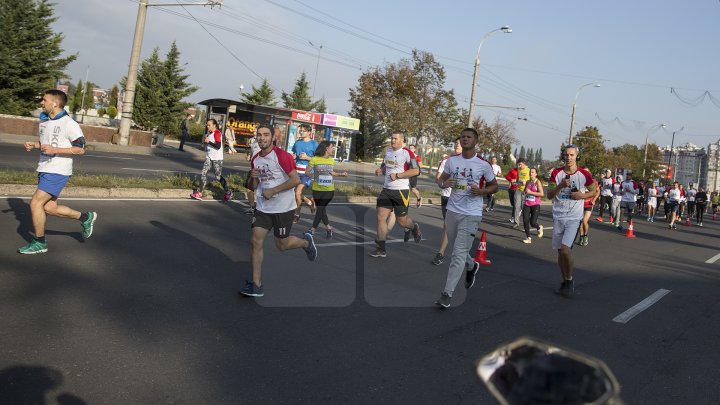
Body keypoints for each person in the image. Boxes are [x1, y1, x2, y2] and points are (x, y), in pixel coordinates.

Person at [239, 125, 318, 297]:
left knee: (281, 245)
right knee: (255, 241)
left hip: (283, 208)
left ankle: (306, 242)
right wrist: (253, 179)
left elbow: (295, 179)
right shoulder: (256, 159)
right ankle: (256, 285)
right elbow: (254, 186)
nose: (262, 138)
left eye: (266, 135)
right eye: (259, 135)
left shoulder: (282, 156)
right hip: (263, 207)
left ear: (272, 138)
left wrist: (274, 191)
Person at [18, 89, 97, 255]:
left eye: (44, 100)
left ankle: (40, 242)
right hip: (44, 167)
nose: (42, 102)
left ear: (54, 103)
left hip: (58, 169)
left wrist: (55, 149)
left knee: (35, 203)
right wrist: (35, 145)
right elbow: (46, 143)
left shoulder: (69, 124)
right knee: (49, 208)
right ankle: (85, 217)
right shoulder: (45, 121)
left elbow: (81, 149)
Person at [435, 128, 498, 308]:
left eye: (468, 137)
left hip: (471, 214)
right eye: (462, 137)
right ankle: (471, 265)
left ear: (475, 141)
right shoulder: (452, 161)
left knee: (457, 254)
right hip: (452, 211)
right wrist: (443, 183)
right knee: (458, 251)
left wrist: (483, 191)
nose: (464, 139)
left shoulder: (483, 164)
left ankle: (447, 294)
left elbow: (494, 186)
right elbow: (440, 180)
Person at [546, 145, 595, 298]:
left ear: (576, 156)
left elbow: (594, 191)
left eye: (572, 155)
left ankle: (570, 279)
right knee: (560, 252)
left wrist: (582, 196)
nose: (569, 158)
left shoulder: (584, 174)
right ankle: (566, 281)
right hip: (558, 216)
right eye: (566, 155)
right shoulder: (556, 173)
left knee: (566, 250)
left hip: (574, 217)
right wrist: (560, 185)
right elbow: (549, 195)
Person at [369, 131, 422, 258]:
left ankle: (414, 227)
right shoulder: (388, 152)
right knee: (381, 217)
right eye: (391, 138)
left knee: (402, 221)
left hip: (401, 191)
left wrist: (398, 175)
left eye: (395, 139)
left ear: (402, 140)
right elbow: (385, 167)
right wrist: (380, 170)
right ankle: (381, 249)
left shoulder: (407, 153)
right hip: (386, 190)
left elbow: (416, 170)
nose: (392, 141)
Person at [306, 141, 349, 238]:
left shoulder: (331, 160)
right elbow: (307, 172)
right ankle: (329, 228)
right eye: (331, 147)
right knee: (322, 210)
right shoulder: (314, 159)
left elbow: (331, 173)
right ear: (326, 148)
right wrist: (314, 176)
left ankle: (312, 230)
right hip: (317, 189)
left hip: (329, 190)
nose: (332, 149)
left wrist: (341, 174)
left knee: (320, 209)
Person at [431, 138, 462, 265]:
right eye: (456, 144)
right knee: (448, 225)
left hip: (460, 197)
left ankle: (441, 253)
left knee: (450, 225)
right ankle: (443, 252)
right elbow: (437, 179)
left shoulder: (471, 163)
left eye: (459, 144)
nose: (457, 145)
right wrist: (444, 183)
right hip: (446, 196)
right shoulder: (446, 161)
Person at [191, 119, 232, 202]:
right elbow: (207, 144)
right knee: (203, 173)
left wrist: (208, 142)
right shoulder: (209, 133)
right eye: (207, 125)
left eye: (209, 125)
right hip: (209, 157)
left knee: (217, 177)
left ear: (214, 125)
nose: (207, 126)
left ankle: (228, 192)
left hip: (217, 158)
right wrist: (205, 142)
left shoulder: (217, 133)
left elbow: (218, 146)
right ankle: (199, 193)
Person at [291, 124, 318, 223]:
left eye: (303, 131)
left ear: (309, 132)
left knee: (298, 192)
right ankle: (309, 202)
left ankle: (296, 215)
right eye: (300, 131)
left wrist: (307, 158)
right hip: (297, 171)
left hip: (307, 172)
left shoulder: (314, 144)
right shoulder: (297, 143)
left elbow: (319, 159)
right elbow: (294, 154)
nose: (301, 132)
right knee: (295, 193)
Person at [521, 167, 544, 244]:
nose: (531, 173)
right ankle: (528, 238)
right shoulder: (527, 182)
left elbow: (541, 194)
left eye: (533, 172)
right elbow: (525, 191)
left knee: (533, 223)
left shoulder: (537, 182)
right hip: (527, 204)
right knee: (525, 220)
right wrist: (524, 193)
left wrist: (531, 192)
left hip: (535, 205)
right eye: (530, 172)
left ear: (536, 174)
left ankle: (539, 227)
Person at [577, 170, 599, 246]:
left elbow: (598, 191)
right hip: (580, 204)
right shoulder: (579, 181)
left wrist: (594, 199)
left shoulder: (593, 181)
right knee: (579, 223)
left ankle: (585, 236)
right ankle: (581, 236)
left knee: (584, 221)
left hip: (589, 204)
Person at [506, 158, 529, 228]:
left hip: (526, 190)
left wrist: (526, 182)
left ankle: (527, 221)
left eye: (520, 164)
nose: (519, 166)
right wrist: (515, 181)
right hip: (518, 189)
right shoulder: (518, 170)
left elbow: (532, 180)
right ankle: (516, 222)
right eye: (518, 164)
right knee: (516, 205)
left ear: (524, 163)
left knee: (524, 207)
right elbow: (518, 178)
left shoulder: (529, 170)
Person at [244, 133, 263, 214]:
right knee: (249, 188)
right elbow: (252, 151)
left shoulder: (264, 141)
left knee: (262, 190)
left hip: (262, 169)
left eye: (257, 131)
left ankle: (262, 209)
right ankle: (252, 207)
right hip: (253, 168)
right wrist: (249, 156)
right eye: (254, 131)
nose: (255, 133)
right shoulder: (252, 141)